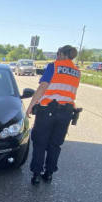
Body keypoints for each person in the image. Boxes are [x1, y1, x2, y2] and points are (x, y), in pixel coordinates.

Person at [25, 45, 81, 185]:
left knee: (40, 143)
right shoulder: (76, 71)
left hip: (48, 110)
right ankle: (49, 174)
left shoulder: (53, 66)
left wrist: (31, 105)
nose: (56, 56)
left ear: (62, 54)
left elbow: (43, 87)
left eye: (57, 54)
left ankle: (36, 175)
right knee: (55, 144)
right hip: (66, 112)